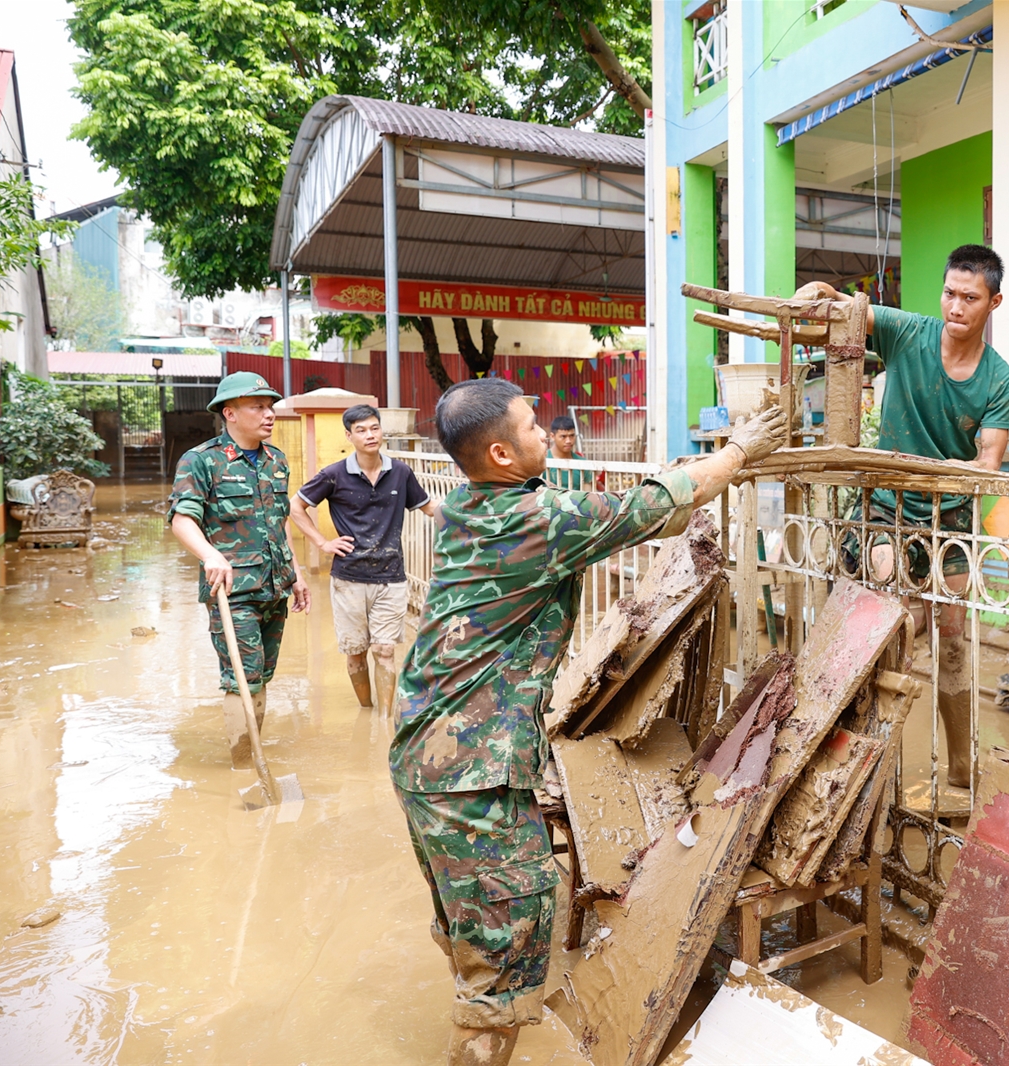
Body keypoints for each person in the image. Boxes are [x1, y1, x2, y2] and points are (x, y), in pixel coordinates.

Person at [389, 378, 787, 1066]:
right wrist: (740, 451)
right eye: (531, 425)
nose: (545, 432)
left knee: (474, 926)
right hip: (470, 774)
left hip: (426, 758)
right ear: (500, 453)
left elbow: (623, 504)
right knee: (505, 957)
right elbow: (651, 507)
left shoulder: (466, 508)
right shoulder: (535, 520)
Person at [805, 244, 1009, 788]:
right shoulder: (907, 333)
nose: (956, 306)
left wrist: (945, 471)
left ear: (993, 303)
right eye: (950, 293)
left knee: (953, 640)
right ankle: (865, 764)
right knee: (891, 616)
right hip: (887, 509)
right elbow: (846, 307)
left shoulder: (1000, 380)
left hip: (951, 520)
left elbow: (988, 466)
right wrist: (819, 294)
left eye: (970, 298)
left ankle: (961, 764)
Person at [168, 372, 310, 768]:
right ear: (229, 413)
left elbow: (280, 521)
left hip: (275, 586)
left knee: (262, 674)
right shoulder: (201, 461)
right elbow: (182, 519)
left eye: (270, 406)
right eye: (258, 407)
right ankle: (243, 765)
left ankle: (252, 752)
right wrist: (210, 555)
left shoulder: (276, 460)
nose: (269, 414)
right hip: (232, 592)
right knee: (242, 676)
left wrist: (296, 573)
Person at [289, 404, 438, 714]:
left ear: (381, 431)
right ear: (349, 436)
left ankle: (382, 722)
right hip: (348, 579)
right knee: (355, 652)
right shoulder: (333, 475)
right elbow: (295, 507)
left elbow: (429, 508)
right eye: (361, 430)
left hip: (391, 577)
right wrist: (322, 542)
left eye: (374, 428)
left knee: (385, 651)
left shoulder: (400, 473)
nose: (370, 435)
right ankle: (367, 710)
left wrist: (474, 506)